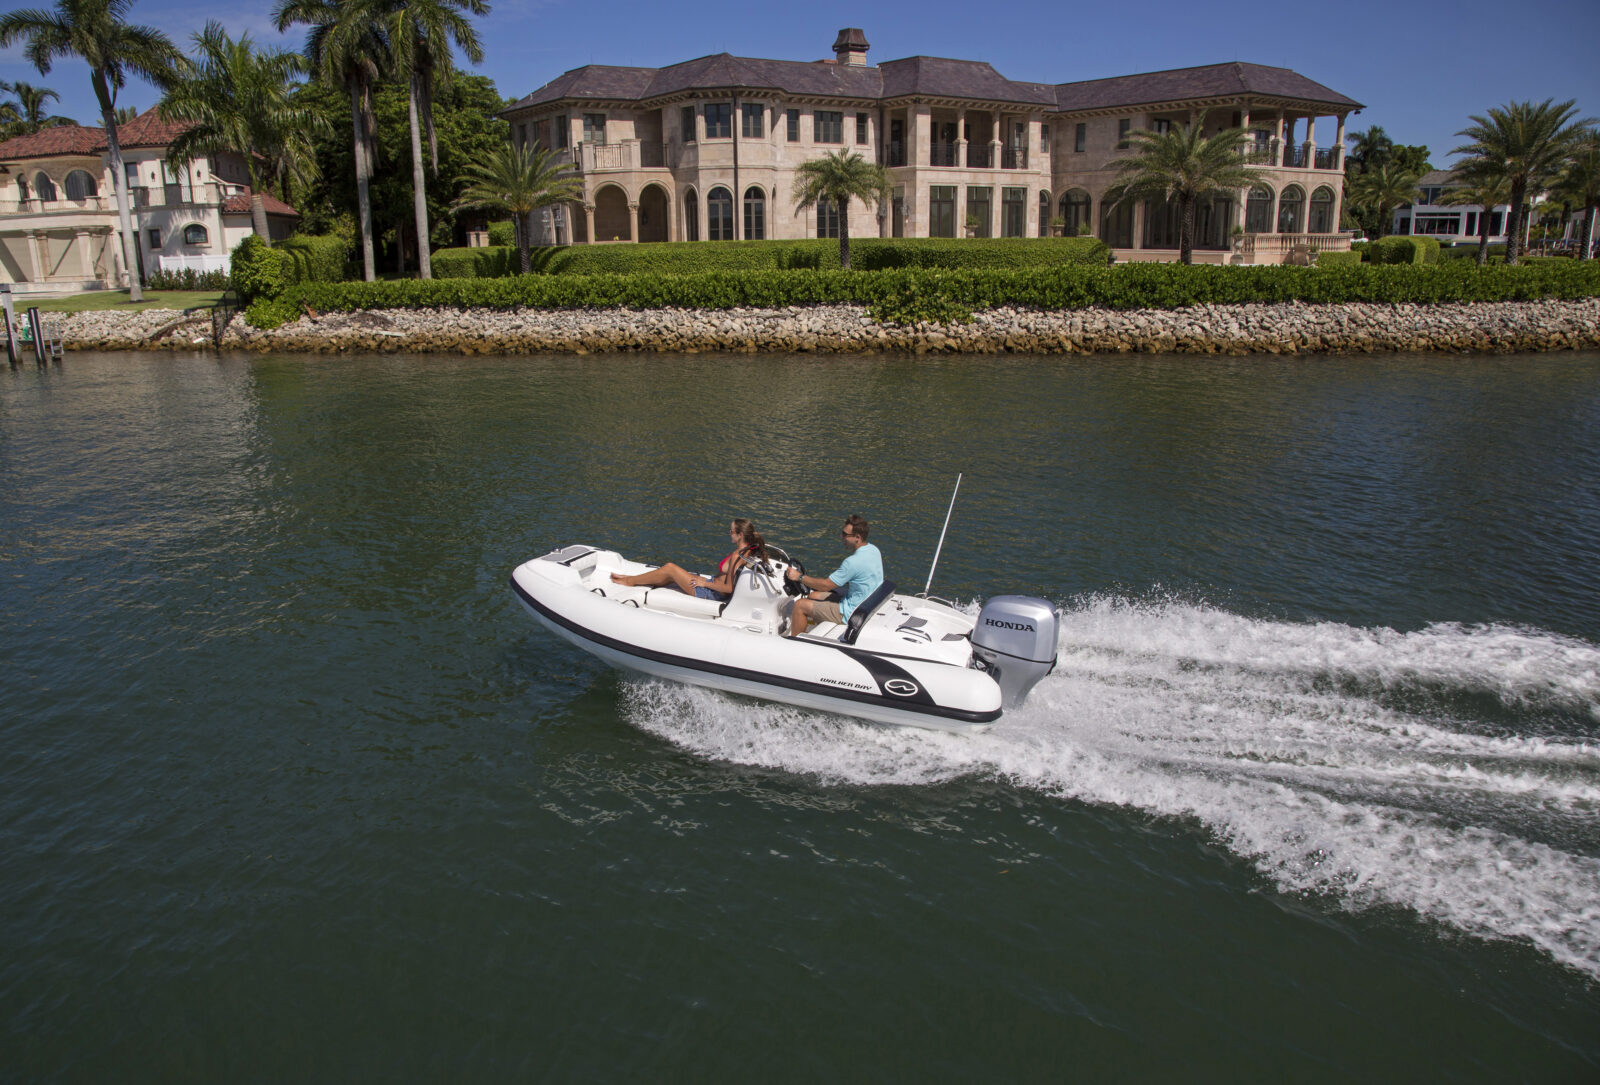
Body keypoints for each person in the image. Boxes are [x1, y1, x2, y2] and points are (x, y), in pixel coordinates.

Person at [611, 519, 766, 600]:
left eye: (731, 531)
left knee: (670, 568)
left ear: (740, 535)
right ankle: (634, 579)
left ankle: (629, 581)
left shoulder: (737, 556)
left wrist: (704, 583)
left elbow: (728, 588)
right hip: (712, 586)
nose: (729, 534)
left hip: (710, 593)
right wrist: (707, 581)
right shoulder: (749, 550)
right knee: (669, 575)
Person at [785, 515, 883, 636]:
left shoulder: (852, 562)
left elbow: (826, 585)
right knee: (812, 595)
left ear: (857, 537)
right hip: (862, 601)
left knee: (799, 605)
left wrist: (799, 577)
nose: (842, 536)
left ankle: (796, 642)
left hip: (850, 611)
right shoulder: (874, 549)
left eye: (845, 534)